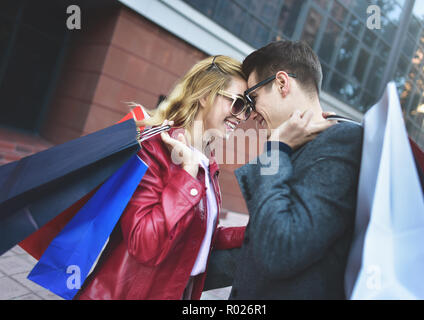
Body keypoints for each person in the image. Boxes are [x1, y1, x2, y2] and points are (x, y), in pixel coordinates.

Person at [75, 55, 250, 300]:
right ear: (205, 95)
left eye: (247, 109)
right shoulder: (154, 149)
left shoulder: (207, 162)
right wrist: (186, 174)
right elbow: (143, 244)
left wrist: (254, 231)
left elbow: (198, 236)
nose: (242, 117)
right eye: (238, 104)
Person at [203, 40, 363, 299]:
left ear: (281, 83)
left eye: (252, 99)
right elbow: (254, 251)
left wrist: (276, 149)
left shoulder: (342, 141)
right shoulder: (295, 147)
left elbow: (280, 249)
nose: (250, 114)